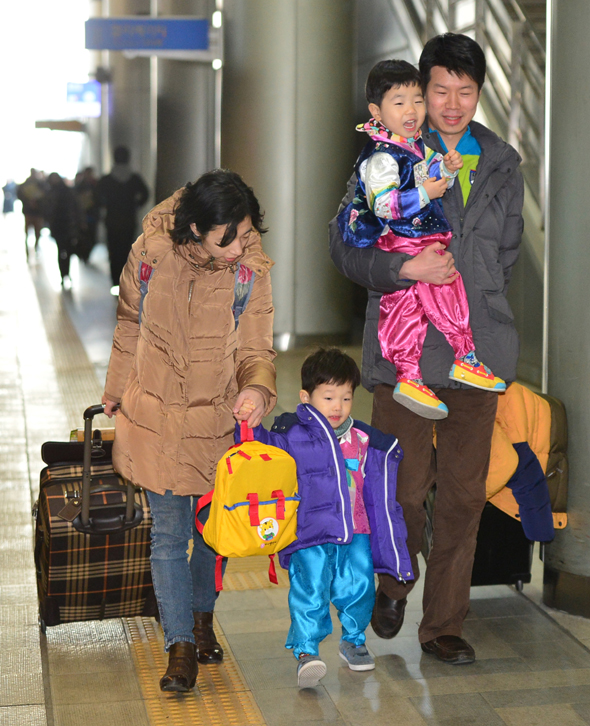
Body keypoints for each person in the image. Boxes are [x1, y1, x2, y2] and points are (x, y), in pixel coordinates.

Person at [329, 33, 524, 665]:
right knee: (403, 491)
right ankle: (394, 580)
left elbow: (508, 252)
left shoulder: (502, 163)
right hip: (405, 352)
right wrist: (404, 272)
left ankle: (443, 624)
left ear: (478, 94)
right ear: (418, 91)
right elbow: (345, 249)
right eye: (438, 89)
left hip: (475, 351)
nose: (451, 103)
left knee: (465, 495)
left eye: (465, 91)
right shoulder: (385, 156)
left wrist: (481, 296)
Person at [102, 169, 277, 693]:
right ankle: (180, 645)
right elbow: (129, 320)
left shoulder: (250, 272)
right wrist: (114, 388)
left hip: (216, 423)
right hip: (154, 416)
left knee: (213, 535)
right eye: (227, 237)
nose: (237, 247)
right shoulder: (150, 253)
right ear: (194, 228)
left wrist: (258, 391)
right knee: (167, 535)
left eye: (245, 234)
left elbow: (257, 348)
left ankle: (202, 617)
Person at [338, 60, 505, 419]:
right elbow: (383, 204)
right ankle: (419, 371)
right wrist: (427, 193)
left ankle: (454, 360)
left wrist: (445, 169)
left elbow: (427, 171)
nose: (411, 109)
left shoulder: (410, 145)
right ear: (376, 111)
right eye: (399, 102)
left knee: (433, 300)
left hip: (423, 239)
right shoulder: (381, 156)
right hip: (403, 244)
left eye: (416, 99)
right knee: (415, 307)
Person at [243, 348, 412, 688]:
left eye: (346, 398)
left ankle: (354, 640)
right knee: (310, 589)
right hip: (310, 532)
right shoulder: (292, 434)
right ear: (306, 397)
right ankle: (307, 651)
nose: (338, 407)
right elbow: (264, 451)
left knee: (360, 586)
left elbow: (378, 481)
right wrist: (251, 427)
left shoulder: (363, 438)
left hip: (356, 530)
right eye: (329, 397)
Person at [96, 146, 149, 287]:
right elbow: (146, 194)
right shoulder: (134, 179)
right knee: (127, 250)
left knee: (113, 251)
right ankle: (126, 280)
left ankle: (115, 281)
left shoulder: (106, 180)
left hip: (112, 220)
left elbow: (96, 197)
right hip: (128, 220)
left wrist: (105, 206)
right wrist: (136, 205)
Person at [45, 172, 83, 286]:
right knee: (62, 249)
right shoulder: (50, 193)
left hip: (68, 225)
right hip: (58, 226)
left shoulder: (66, 192)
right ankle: (64, 274)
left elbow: (77, 208)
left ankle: (66, 273)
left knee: (68, 249)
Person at [17, 168, 46, 256]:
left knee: (37, 231)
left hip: (37, 212)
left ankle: (36, 245)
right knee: (28, 231)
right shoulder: (26, 184)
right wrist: (28, 202)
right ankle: (28, 246)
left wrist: (37, 203)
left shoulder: (40, 184)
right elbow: (20, 194)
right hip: (29, 212)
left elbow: (45, 195)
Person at [74, 166, 99, 262]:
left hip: (92, 215)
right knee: (83, 237)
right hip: (82, 215)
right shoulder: (80, 186)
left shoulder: (96, 185)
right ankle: (83, 254)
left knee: (92, 237)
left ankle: (86, 253)